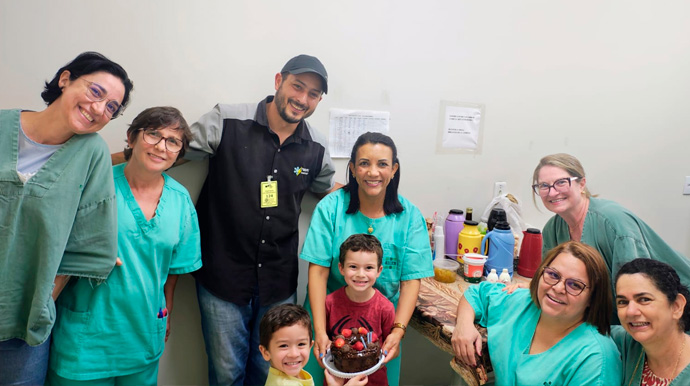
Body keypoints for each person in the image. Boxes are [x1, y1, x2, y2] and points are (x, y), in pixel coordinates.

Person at [183, 54, 337, 386]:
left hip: (278, 282)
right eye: (298, 86)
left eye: (313, 94)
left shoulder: (317, 147)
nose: (302, 99)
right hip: (222, 276)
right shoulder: (227, 119)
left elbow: (327, 190)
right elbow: (169, 151)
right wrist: (105, 163)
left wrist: (376, 192)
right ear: (279, 80)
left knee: (272, 374)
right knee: (227, 374)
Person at [0, 51, 133, 385]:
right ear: (65, 79)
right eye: (96, 92)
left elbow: (90, 241)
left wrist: (44, 299)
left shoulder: (92, 154)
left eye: (111, 107)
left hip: (22, 326)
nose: (99, 108)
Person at [45, 107, 202, 385]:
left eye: (172, 141)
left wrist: (166, 311)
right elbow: (52, 246)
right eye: (153, 134)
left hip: (142, 335)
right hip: (86, 338)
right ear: (131, 137)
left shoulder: (180, 200)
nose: (161, 147)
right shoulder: (94, 184)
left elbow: (175, 267)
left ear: (179, 152)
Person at [300, 132, 433, 386]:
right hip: (326, 320)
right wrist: (319, 331)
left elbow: (410, 280)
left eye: (382, 164)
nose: (373, 172)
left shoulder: (410, 217)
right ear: (352, 168)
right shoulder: (330, 208)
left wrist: (398, 330)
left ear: (394, 169)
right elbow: (317, 273)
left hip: (381, 328)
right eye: (364, 163)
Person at [532, 153, 690, 320]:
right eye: (544, 186)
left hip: (675, 313)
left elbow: (638, 296)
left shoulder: (614, 222)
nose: (552, 192)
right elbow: (549, 281)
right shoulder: (552, 229)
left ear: (581, 184)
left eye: (561, 182)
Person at [451, 241, 622, 385]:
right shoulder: (521, 303)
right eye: (553, 275)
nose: (558, 288)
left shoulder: (595, 359)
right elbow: (478, 293)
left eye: (575, 285)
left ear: (592, 298)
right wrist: (464, 325)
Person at [324, 233, 395, 386]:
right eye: (353, 267)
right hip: (337, 381)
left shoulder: (386, 308)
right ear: (341, 268)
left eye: (368, 268)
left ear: (379, 270)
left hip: (375, 381)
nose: (360, 274)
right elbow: (326, 344)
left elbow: (393, 349)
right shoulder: (329, 303)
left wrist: (389, 354)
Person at [612, 258, 690, 385]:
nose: (631, 311)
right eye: (623, 302)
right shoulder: (623, 343)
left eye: (644, 299)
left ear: (676, 306)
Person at [258, 304, 367, 386]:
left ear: (310, 346)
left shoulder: (291, 375)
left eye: (301, 344)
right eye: (283, 346)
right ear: (265, 352)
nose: (294, 354)